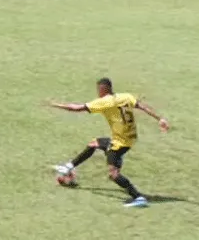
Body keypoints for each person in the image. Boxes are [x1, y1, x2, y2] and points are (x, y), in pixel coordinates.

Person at [51, 78, 170, 208]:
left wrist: (56, 104)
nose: (98, 92)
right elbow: (142, 106)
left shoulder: (105, 102)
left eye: (98, 89)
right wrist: (160, 118)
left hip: (120, 143)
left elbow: (77, 108)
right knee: (94, 143)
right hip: (129, 137)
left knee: (113, 174)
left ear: (102, 89)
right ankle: (69, 166)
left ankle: (138, 197)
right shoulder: (125, 97)